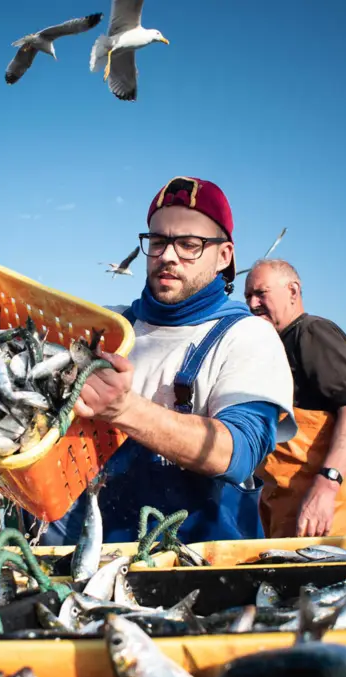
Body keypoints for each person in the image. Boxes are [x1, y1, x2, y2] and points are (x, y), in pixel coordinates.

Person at [47, 176, 296, 544]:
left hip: (197, 572)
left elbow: (237, 451)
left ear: (224, 256)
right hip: (83, 564)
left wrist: (123, 409)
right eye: (159, 241)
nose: (167, 255)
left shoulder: (247, 337)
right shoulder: (103, 328)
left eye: (189, 245)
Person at [243, 260, 346, 538]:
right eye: (247, 296)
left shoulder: (312, 333)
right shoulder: (272, 346)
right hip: (285, 507)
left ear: (293, 291)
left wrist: (327, 486)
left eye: (261, 293)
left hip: (326, 514)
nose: (252, 304)